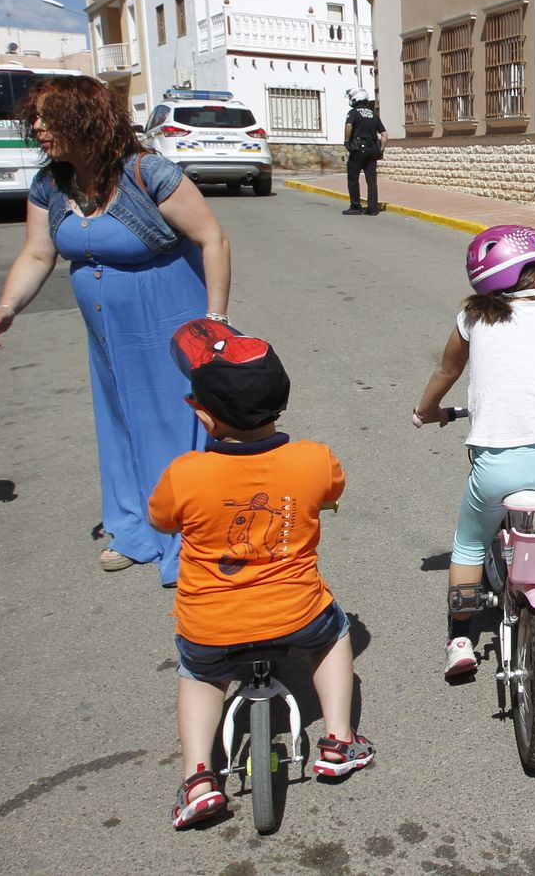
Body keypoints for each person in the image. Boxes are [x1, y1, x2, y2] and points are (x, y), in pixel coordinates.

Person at [0, 75, 231, 585]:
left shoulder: (146, 172)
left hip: (171, 320)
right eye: (36, 120)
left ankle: (192, 538)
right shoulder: (51, 185)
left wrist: (214, 321)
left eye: (50, 117)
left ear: (85, 119)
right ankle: (134, 528)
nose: (39, 128)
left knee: (177, 425)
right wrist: (8, 306)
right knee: (122, 424)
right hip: (109, 335)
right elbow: (38, 252)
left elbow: (213, 239)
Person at [154, 320, 371, 830]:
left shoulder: (185, 473)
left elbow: (161, 519)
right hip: (298, 614)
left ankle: (199, 779)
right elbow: (333, 493)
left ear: (202, 416)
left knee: (200, 673)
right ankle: (338, 739)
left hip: (211, 625)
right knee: (334, 632)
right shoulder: (313, 459)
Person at [412, 225, 535, 678]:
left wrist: (427, 411)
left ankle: (460, 638)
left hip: (496, 465)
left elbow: (447, 371)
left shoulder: (472, 320)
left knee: (468, 543)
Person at [343, 87, 386, 216]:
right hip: (372, 149)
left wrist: (346, 140)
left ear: (355, 98)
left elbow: (349, 125)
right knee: (371, 180)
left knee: (353, 177)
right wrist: (381, 150)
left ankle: (355, 206)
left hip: (358, 149)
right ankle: (372, 209)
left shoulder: (353, 112)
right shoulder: (373, 114)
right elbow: (384, 134)